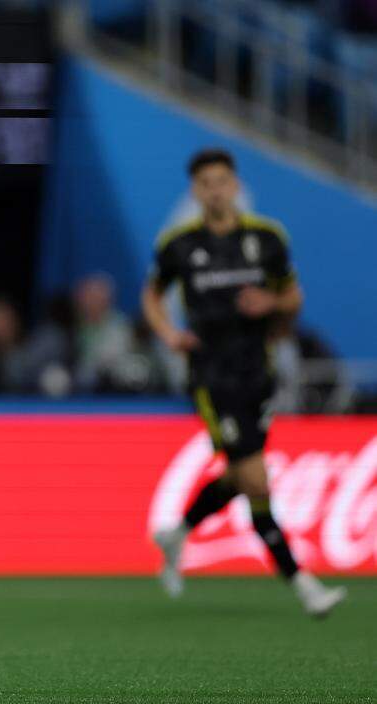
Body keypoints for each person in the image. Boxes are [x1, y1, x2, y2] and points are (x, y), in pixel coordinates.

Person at [142, 148, 345, 617]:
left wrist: (271, 305)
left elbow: (293, 296)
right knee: (255, 476)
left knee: (240, 474)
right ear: (196, 191)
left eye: (222, 181)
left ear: (234, 186)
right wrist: (170, 333)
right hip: (211, 375)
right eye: (206, 183)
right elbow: (152, 294)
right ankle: (303, 583)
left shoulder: (267, 239)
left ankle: (178, 531)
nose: (215, 190)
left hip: (258, 369)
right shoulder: (180, 244)